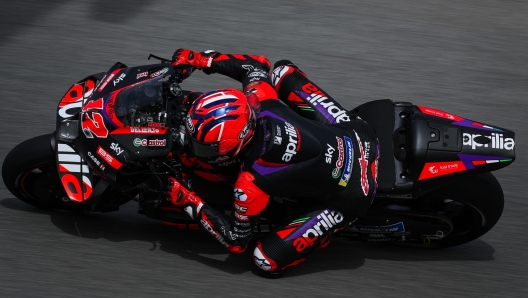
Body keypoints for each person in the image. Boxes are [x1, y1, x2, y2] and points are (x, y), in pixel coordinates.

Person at [167, 48, 379, 277]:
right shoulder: (259, 99)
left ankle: (324, 230)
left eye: (201, 146)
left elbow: (236, 241)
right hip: (359, 134)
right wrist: (201, 60)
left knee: (264, 261)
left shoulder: (250, 184)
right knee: (282, 71)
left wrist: (188, 200)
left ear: (233, 146)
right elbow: (256, 65)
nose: (191, 145)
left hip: (355, 191)